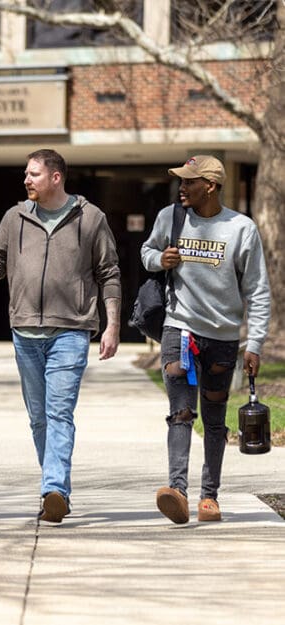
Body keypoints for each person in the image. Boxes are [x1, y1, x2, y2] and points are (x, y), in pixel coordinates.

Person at [0, 149, 121, 523]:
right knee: (39, 418)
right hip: (24, 331)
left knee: (59, 412)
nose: (27, 180)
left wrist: (112, 325)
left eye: (34, 174)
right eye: (26, 174)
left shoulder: (90, 218)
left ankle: (54, 489)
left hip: (71, 330)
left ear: (56, 177)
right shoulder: (15, 217)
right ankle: (55, 487)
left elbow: (109, 274)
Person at [141, 155, 270, 524]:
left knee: (214, 418)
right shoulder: (171, 218)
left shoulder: (241, 228)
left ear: (210, 186)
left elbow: (258, 290)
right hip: (179, 328)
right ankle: (177, 490)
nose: (182, 187)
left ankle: (209, 498)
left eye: (189, 182)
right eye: (181, 181)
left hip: (223, 338)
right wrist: (159, 259)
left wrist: (255, 343)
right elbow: (146, 251)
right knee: (181, 410)